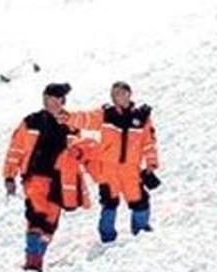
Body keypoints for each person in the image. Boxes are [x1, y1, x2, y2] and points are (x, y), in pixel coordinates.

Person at [3, 83, 93, 271]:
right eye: (46, 99)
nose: (49, 103)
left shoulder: (72, 124)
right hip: (35, 177)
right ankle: (32, 263)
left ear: (62, 101)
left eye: (52, 99)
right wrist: (9, 176)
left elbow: (80, 151)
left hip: (61, 181)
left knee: (50, 224)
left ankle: (36, 258)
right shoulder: (32, 121)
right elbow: (15, 150)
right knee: (37, 217)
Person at [59, 81, 161, 243]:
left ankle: (141, 231)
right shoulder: (106, 114)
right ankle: (107, 237)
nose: (116, 97)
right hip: (108, 169)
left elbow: (148, 143)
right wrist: (69, 117)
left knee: (140, 201)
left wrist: (151, 164)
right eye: (113, 94)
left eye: (120, 93)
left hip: (131, 169)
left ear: (129, 93)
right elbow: (86, 119)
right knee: (109, 202)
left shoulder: (142, 118)